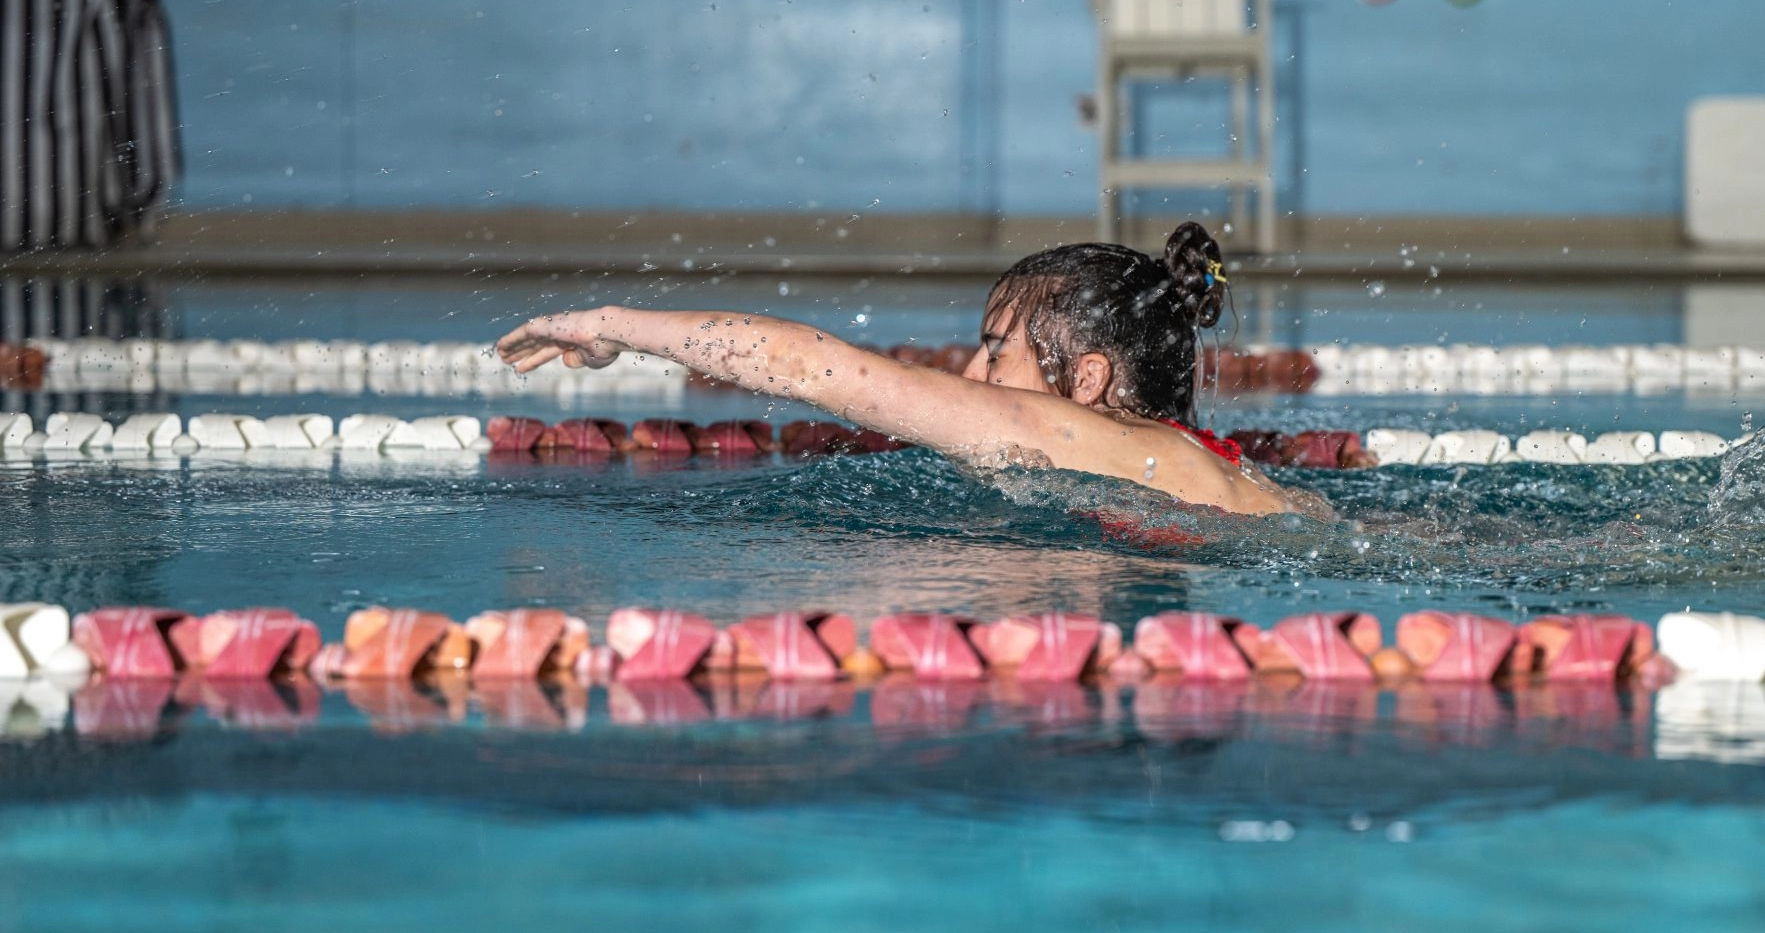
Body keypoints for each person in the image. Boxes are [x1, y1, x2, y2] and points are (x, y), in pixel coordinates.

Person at [495, 222, 1328, 519]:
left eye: (995, 349)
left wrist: (608, 325)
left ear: (1086, 381)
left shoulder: (1065, 432)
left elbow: (808, 368)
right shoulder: (1165, 452)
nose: (970, 370)